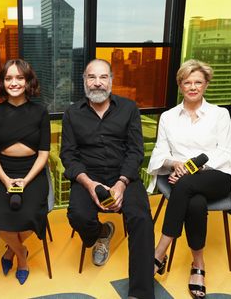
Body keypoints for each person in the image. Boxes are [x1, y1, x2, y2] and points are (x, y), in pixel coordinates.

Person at [147, 59, 231, 299]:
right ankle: (198, 265)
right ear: (180, 85)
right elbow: (161, 152)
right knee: (194, 202)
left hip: (217, 174)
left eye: (198, 82)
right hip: (183, 178)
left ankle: (159, 253)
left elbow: (225, 151)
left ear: (206, 85)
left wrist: (191, 168)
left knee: (185, 185)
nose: (193, 87)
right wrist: (175, 164)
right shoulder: (168, 117)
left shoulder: (219, 115)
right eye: (187, 82)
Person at [60, 59, 154, 299]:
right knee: (78, 216)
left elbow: (135, 151)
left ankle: (141, 293)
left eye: (103, 77)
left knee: (142, 218)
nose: (98, 83)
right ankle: (102, 232)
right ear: (84, 81)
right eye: (92, 77)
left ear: (111, 80)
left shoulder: (129, 108)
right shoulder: (72, 114)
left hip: (123, 175)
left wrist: (121, 183)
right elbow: (68, 155)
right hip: (88, 176)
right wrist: (90, 184)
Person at [0, 59, 50, 285]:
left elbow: (43, 154)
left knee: (31, 214)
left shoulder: (40, 112)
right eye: (9, 78)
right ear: (2, 82)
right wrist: (7, 180)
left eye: (19, 77)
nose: (14, 82)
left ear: (28, 81)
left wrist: (26, 180)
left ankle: (10, 252)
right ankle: (21, 255)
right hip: (3, 172)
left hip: (33, 172)